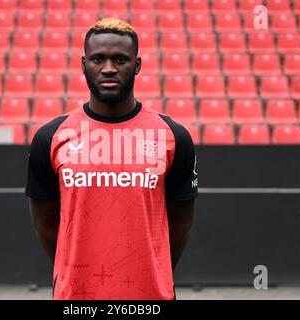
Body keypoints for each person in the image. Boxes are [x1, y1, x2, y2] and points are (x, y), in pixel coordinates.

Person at [25, 18, 198, 300]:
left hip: (150, 298)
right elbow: (44, 224)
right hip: (77, 299)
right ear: (83, 64)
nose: (108, 68)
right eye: (98, 59)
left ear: (138, 65)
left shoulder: (174, 136)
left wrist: (150, 270)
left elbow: (181, 225)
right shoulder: (51, 137)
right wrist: (75, 268)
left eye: (120, 59)